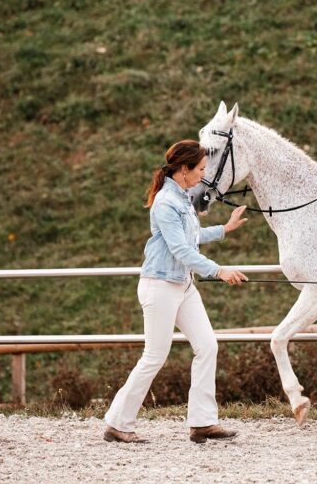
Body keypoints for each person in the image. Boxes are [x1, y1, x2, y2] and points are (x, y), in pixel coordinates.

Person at [104, 140, 248, 444]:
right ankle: (118, 423)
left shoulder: (181, 196)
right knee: (154, 356)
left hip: (183, 285)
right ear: (184, 170)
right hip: (160, 286)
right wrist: (218, 270)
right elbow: (181, 248)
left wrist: (225, 228)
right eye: (200, 170)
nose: (203, 175)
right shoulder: (166, 202)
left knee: (207, 346)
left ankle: (202, 423)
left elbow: (191, 236)